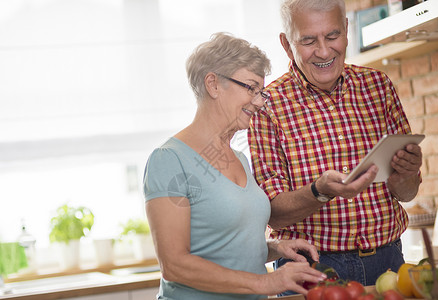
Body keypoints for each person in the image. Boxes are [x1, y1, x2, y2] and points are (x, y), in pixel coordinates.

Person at [247, 0, 423, 294]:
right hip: (312, 270)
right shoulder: (267, 106)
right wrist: (320, 191)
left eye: (332, 36)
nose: (324, 51)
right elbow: (273, 214)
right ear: (287, 45)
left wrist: (407, 173)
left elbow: (407, 194)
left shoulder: (378, 86)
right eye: (308, 40)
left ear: (346, 30)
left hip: (390, 262)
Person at [143, 32, 327, 300]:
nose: (259, 101)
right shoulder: (169, 160)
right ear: (213, 84)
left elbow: (224, 247)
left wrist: (275, 248)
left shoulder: (239, 158)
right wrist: (266, 283)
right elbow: (175, 265)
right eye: (251, 88)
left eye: (260, 91)